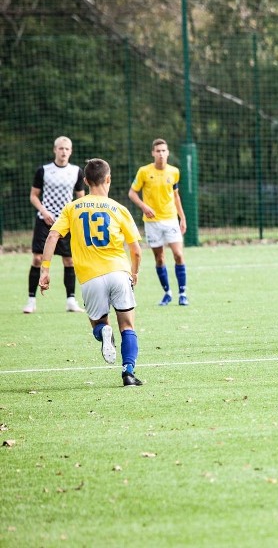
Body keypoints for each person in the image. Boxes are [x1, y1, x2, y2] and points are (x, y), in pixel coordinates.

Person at [38, 158, 145, 387]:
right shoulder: (119, 209)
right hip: (119, 272)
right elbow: (136, 250)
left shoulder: (72, 208)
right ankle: (128, 373)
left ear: (85, 181)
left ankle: (104, 331)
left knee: (98, 324)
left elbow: (52, 236)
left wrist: (45, 271)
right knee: (127, 325)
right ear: (108, 179)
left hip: (90, 278)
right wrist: (134, 273)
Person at [23, 136, 86, 314]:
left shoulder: (76, 171)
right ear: (55, 150)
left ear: (71, 151)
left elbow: (80, 198)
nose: (64, 151)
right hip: (45, 221)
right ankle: (31, 301)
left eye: (67, 149)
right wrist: (44, 211)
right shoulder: (43, 170)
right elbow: (34, 196)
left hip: (66, 222)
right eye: (61, 148)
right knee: (37, 259)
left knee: (69, 260)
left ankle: (71, 301)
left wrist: (76, 217)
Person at [128, 138, 188, 306]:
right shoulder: (144, 171)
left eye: (163, 151)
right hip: (152, 222)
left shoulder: (174, 171)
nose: (161, 154)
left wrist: (182, 217)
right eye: (158, 151)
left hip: (170, 219)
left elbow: (175, 196)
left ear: (167, 152)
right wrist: (144, 207)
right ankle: (167, 293)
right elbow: (132, 193)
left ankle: (182, 293)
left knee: (178, 255)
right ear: (153, 153)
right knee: (160, 258)